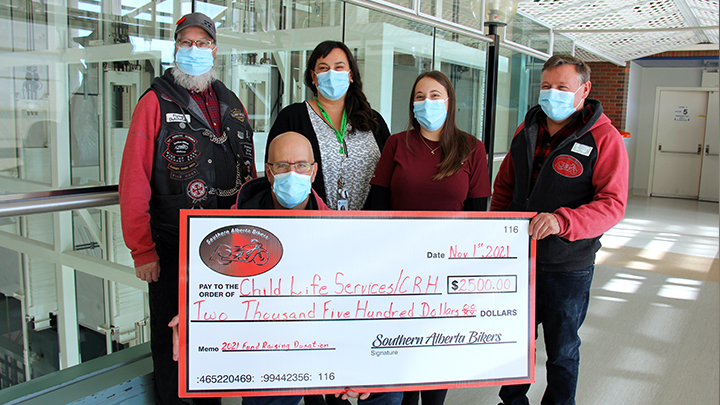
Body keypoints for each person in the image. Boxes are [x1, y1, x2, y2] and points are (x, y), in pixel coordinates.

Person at [169, 132, 403, 405]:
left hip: (324, 337)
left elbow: (356, 298)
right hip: (267, 345)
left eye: (301, 165)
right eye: (282, 166)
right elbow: (211, 289)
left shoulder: (338, 229)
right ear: (268, 172)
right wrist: (192, 317)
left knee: (386, 383)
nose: (293, 173)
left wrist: (357, 358)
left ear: (314, 171)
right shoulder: (229, 229)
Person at [118, 12, 256, 405]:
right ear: (175, 48)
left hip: (226, 251)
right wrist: (142, 249)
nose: (195, 50)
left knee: (212, 340)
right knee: (172, 346)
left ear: (215, 50)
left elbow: (249, 169)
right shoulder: (154, 102)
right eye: (187, 43)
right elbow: (133, 182)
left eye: (203, 43)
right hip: (171, 247)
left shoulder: (232, 103)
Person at [491, 54, 629, 405]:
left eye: (562, 88)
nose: (553, 94)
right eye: (547, 87)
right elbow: (505, 186)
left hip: (567, 266)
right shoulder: (527, 130)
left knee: (563, 350)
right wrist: (496, 228)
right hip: (519, 261)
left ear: (584, 90)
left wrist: (562, 220)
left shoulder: (604, 139)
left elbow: (612, 203)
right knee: (515, 344)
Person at [370, 71, 491, 405]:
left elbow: (478, 215)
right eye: (420, 96)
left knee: (439, 348)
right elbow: (377, 208)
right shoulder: (397, 143)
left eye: (436, 95)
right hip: (400, 267)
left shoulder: (471, 148)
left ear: (450, 102)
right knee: (405, 347)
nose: (427, 102)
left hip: (447, 269)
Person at [266, 40, 391, 211]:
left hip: (367, 226)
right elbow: (274, 172)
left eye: (339, 67)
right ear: (313, 76)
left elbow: (389, 175)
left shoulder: (373, 121)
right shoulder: (292, 118)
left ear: (351, 75)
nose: (331, 73)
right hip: (310, 223)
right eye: (323, 68)